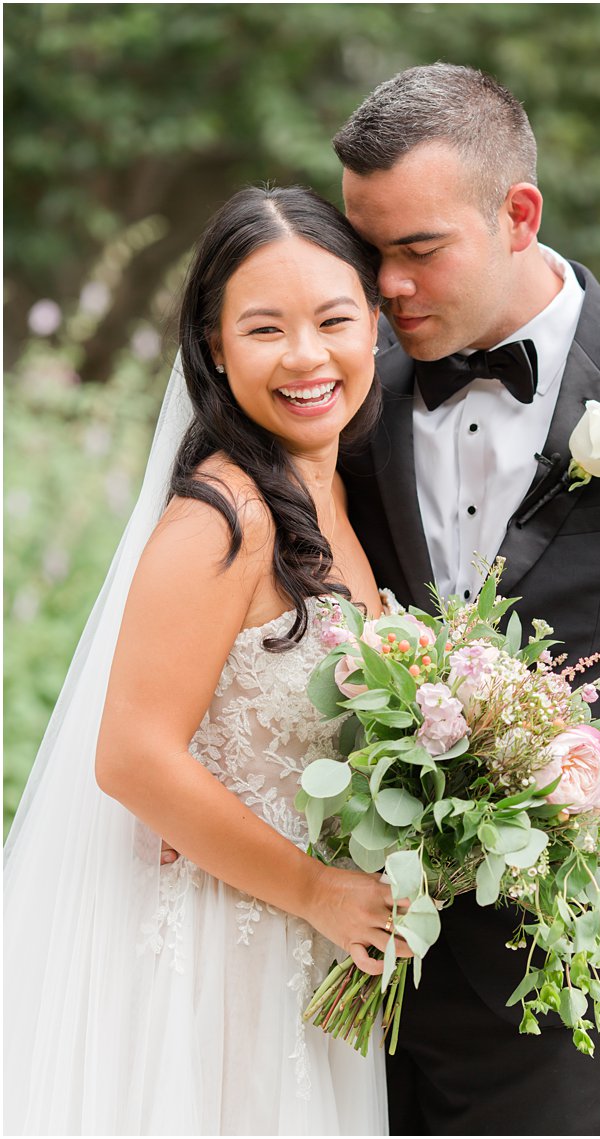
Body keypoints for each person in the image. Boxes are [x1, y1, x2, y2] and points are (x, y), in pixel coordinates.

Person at [330, 63, 600, 1134]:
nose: (386, 285)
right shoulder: (344, 398)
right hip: (344, 945)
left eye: (418, 248)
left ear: (518, 215)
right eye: (367, 249)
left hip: (551, 957)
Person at [3, 186, 408, 1133]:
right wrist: (315, 889)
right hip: (217, 949)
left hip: (297, 949)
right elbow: (132, 755)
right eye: (264, 328)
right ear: (216, 350)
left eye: (333, 319)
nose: (307, 356)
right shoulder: (223, 519)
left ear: (375, 325)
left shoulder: (335, 496)